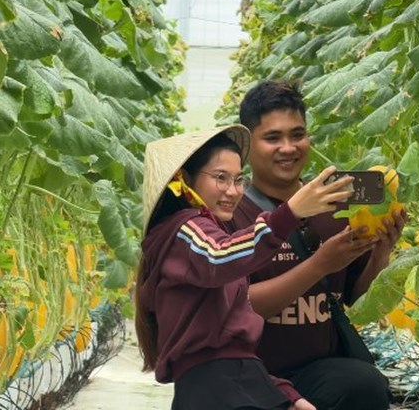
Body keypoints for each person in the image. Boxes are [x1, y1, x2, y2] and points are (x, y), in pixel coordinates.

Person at [134, 124, 358, 410]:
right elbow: (220, 256)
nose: (232, 191)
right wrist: (289, 213)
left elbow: (232, 347)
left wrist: (283, 392)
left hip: (232, 381)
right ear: (186, 180)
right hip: (214, 387)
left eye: (239, 179)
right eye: (220, 178)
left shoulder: (202, 233)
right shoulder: (184, 230)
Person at [233, 81, 408, 410]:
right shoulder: (233, 211)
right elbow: (236, 308)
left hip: (319, 372)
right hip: (251, 374)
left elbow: (352, 296)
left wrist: (381, 252)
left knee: (365, 384)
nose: (288, 147)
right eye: (272, 138)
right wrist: (319, 264)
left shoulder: (338, 203)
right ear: (247, 143)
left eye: (297, 134)